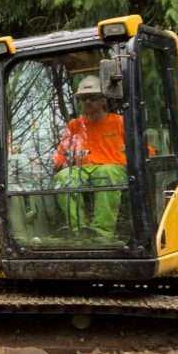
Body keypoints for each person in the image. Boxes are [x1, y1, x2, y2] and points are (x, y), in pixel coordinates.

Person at [52, 75, 129, 238]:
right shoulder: (75, 125)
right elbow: (62, 150)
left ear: (103, 101)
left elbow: (141, 148)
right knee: (63, 178)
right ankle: (78, 230)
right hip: (84, 169)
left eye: (92, 98)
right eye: (83, 98)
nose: (87, 102)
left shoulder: (119, 122)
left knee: (105, 174)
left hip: (113, 168)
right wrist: (57, 161)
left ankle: (102, 232)